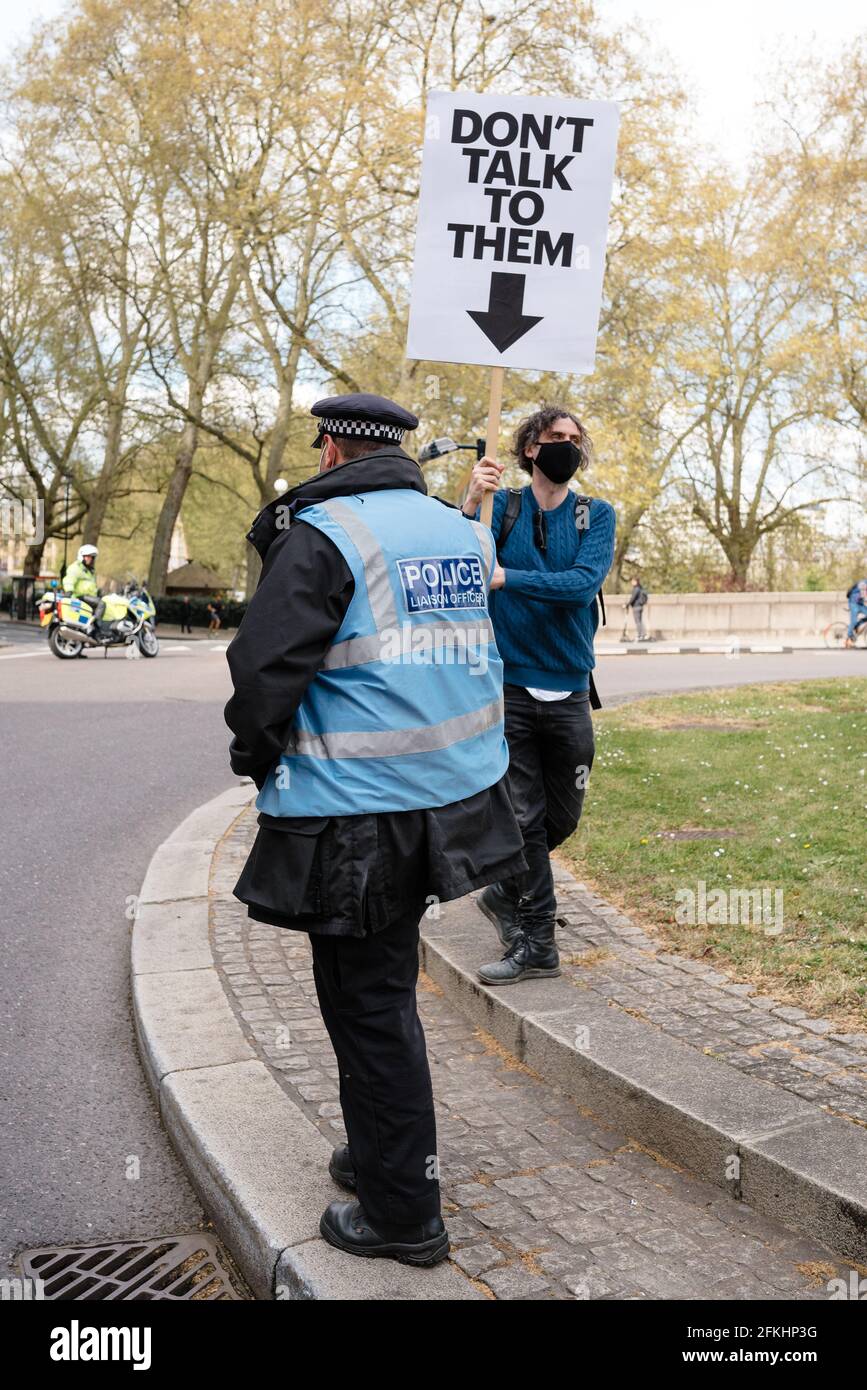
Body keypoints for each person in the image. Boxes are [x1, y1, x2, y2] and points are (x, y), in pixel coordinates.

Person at [224, 392, 525, 1267]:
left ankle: (403, 1214)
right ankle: (382, 1155)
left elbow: (263, 671)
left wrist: (256, 756)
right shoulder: (458, 530)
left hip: (358, 812)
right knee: (381, 988)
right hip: (455, 800)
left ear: (328, 450)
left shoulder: (327, 535)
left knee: (367, 1003)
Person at [460, 404, 616, 986]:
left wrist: (509, 578)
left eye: (575, 440)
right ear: (530, 448)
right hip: (510, 684)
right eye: (555, 438)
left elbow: (581, 586)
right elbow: (458, 558)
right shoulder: (503, 509)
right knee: (525, 817)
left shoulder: (595, 515)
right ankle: (537, 942)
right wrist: (471, 503)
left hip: (571, 683)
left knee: (560, 819)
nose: (566, 447)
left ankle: (506, 888)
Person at [63, 544, 105, 631]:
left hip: (87, 596)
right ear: (81, 556)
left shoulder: (87, 570)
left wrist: (98, 592)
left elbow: (90, 585)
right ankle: (94, 626)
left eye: (91, 557)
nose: (90, 559)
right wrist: (69, 591)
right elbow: (69, 580)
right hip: (80, 596)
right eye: (88, 557)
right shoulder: (76, 568)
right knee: (101, 604)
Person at [845, 578, 867, 647]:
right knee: (853, 621)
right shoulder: (863, 583)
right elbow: (863, 594)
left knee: (856, 622)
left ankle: (857, 625)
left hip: (860, 604)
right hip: (853, 603)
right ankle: (850, 636)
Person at [626, 575, 649, 641]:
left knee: (638, 622)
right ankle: (643, 634)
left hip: (636, 607)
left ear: (636, 581)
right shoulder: (640, 588)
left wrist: (627, 605)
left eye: (632, 581)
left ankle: (640, 635)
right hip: (640, 606)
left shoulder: (636, 589)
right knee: (640, 621)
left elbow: (633, 598)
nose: (631, 582)